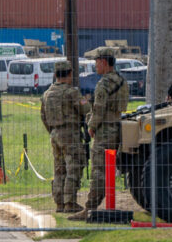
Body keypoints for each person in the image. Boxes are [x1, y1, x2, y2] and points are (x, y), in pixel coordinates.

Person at [69, 47, 128, 220]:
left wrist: (91, 125)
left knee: (98, 170)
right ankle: (106, 203)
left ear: (103, 62)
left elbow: (99, 109)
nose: (95, 65)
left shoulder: (104, 83)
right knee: (108, 169)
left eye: (96, 62)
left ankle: (89, 208)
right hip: (117, 127)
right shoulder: (121, 80)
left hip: (104, 131)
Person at [40, 61, 89, 214]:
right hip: (70, 134)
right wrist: (87, 100)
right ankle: (70, 202)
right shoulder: (71, 92)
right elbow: (85, 109)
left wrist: (53, 130)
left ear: (55, 75)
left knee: (59, 169)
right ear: (69, 74)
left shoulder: (47, 94)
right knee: (74, 166)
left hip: (54, 134)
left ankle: (59, 202)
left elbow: (43, 116)